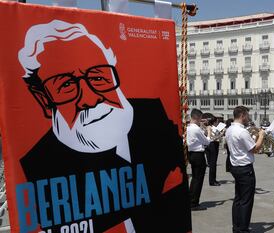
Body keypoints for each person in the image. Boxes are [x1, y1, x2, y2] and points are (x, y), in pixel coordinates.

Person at [18, 20, 191, 232]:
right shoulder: (39, 166)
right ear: (44, 100)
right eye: (65, 85)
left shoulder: (153, 114)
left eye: (99, 77)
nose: (90, 99)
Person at [226, 106, 265, 233]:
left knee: (238, 199)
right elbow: (255, 149)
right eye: (247, 115)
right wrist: (261, 136)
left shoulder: (230, 129)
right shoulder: (242, 132)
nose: (248, 118)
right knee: (246, 201)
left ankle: (236, 227)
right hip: (245, 168)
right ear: (242, 115)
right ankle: (243, 229)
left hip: (235, 166)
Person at [187, 109, 212, 210]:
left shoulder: (188, 127)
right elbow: (206, 142)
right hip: (198, 155)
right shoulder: (196, 129)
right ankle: (194, 203)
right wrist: (209, 132)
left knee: (195, 178)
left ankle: (190, 199)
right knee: (198, 179)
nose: (201, 120)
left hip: (191, 154)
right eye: (201, 118)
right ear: (197, 117)